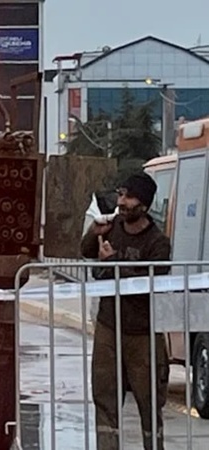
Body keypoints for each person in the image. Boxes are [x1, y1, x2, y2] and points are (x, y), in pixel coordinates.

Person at [80, 172, 171, 450]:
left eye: (128, 196)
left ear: (142, 204)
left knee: (148, 400)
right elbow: (86, 252)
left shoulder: (157, 242)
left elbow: (149, 282)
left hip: (142, 333)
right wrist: (93, 233)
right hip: (109, 327)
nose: (121, 202)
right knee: (105, 395)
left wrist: (115, 261)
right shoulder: (112, 227)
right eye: (120, 194)